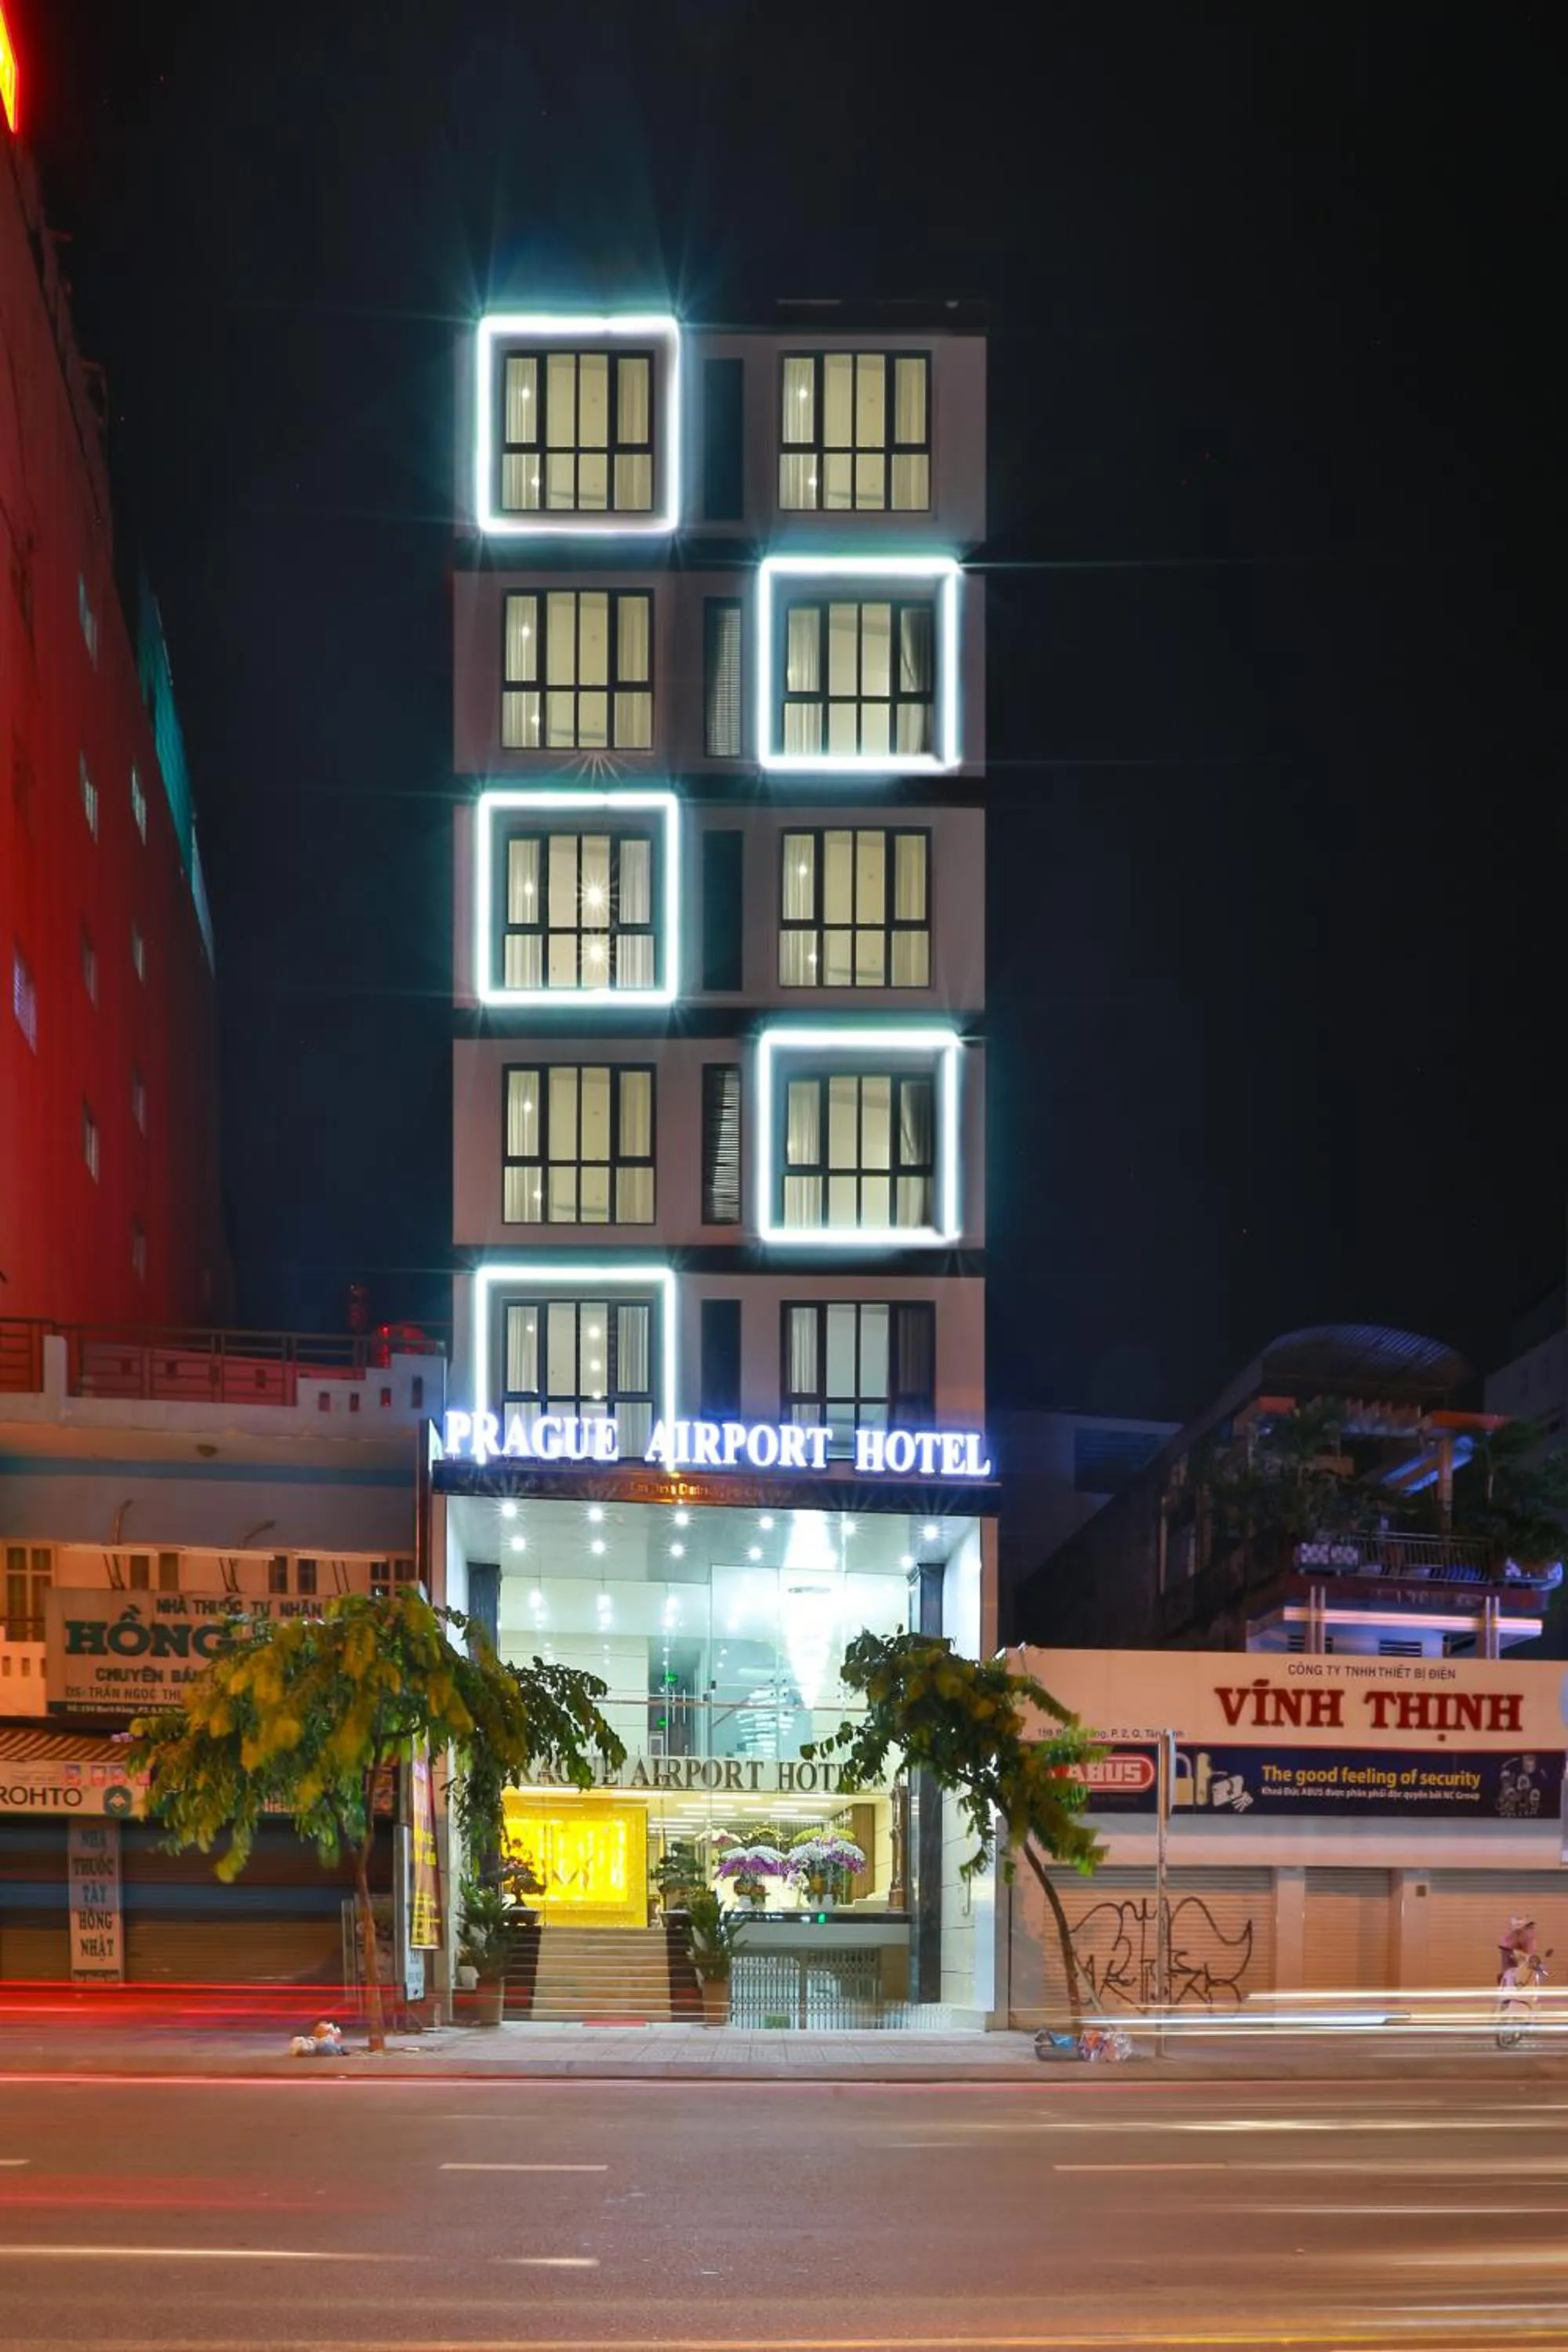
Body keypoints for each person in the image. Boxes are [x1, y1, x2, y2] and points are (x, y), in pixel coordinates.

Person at [1498, 1914, 1537, 1984]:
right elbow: (1510, 1952)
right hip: (1511, 1973)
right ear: (1511, 1921)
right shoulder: (1507, 1938)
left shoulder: (1528, 1938)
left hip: (1526, 1973)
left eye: (1521, 1919)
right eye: (1516, 1919)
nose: (1519, 1922)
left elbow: (1530, 1956)